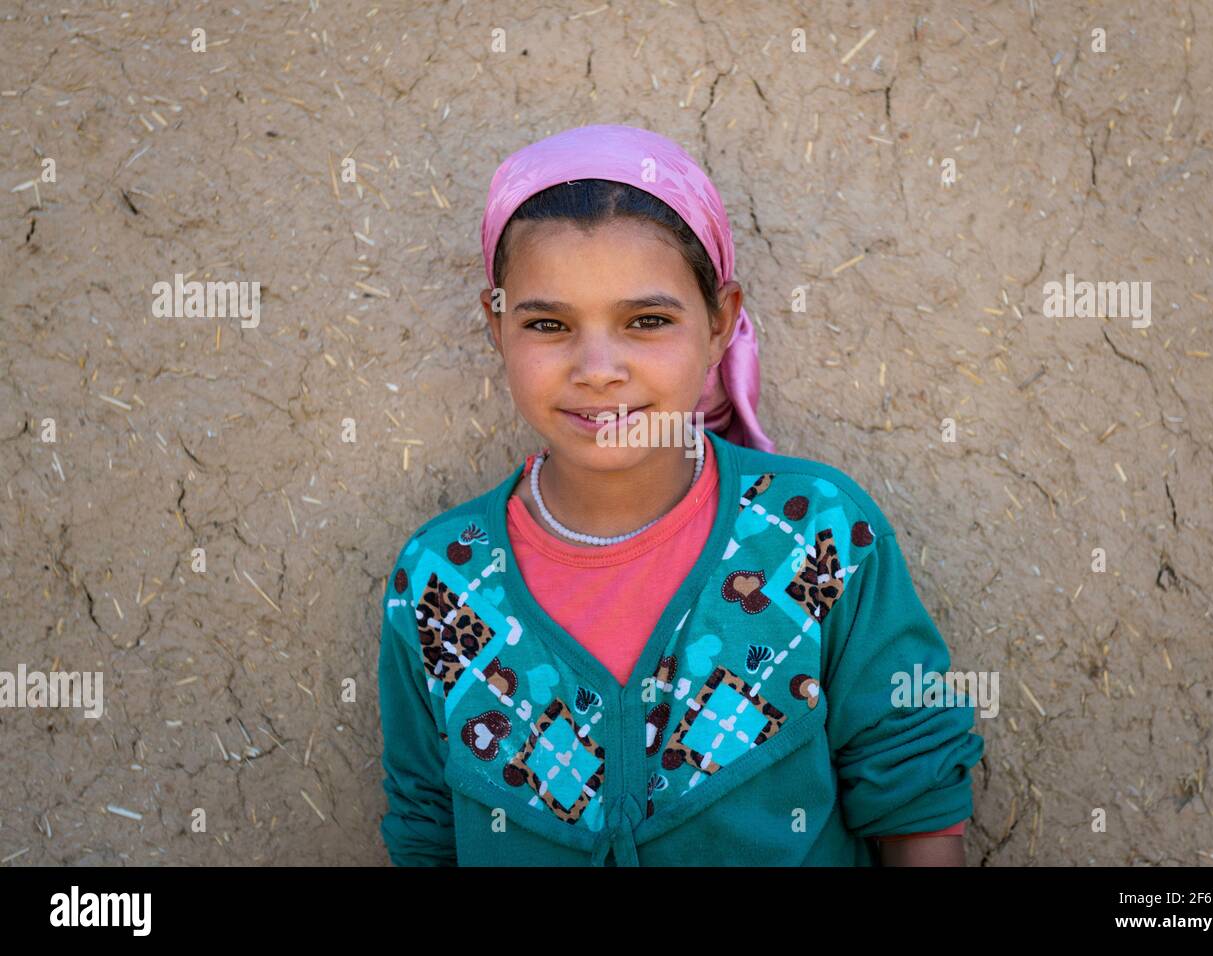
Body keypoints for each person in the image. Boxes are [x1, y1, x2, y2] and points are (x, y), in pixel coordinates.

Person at [378, 124, 984, 866]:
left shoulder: (816, 537)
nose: (598, 368)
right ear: (496, 325)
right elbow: (425, 830)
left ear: (721, 322)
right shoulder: (441, 583)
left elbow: (916, 803)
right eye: (547, 323)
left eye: (648, 321)